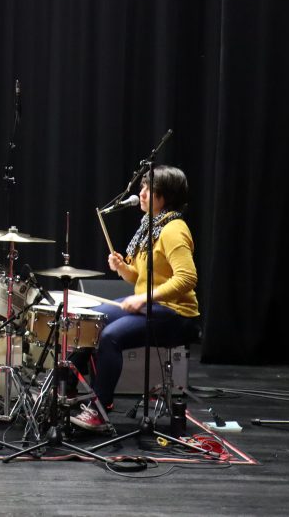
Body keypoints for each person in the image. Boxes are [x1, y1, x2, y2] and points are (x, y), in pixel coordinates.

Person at [70, 165, 201, 432]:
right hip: (153, 304)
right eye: (142, 187)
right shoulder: (149, 227)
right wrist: (122, 268)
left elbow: (187, 278)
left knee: (110, 336)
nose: (141, 193)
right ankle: (66, 390)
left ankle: (99, 410)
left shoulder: (173, 230)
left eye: (148, 189)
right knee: (91, 320)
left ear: (165, 196)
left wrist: (144, 299)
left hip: (176, 313)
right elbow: (141, 277)